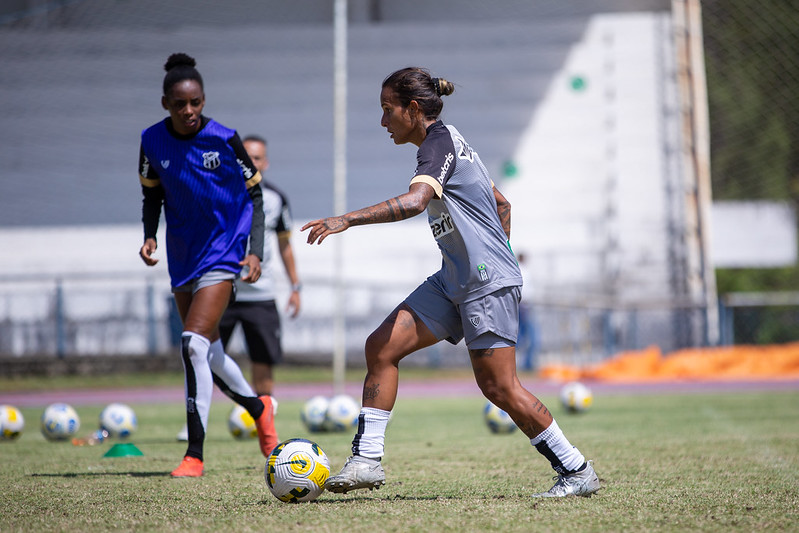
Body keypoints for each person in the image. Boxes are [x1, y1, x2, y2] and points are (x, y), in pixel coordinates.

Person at [302, 67, 600, 498]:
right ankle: (366, 460)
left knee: (499, 386)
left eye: (388, 111)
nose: (383, 121)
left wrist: (345, 219)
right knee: (381, 347)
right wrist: (487, 253)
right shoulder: (447, 141)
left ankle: (576, 470)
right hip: (455, 280)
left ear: (413, 108)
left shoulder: (438, 145)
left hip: (483, 284)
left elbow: (416, 202)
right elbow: (503, 204)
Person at [138, 52, 278, 477]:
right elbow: (152, 195)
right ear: (166, 104)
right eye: (180, 104)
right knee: (210, 351)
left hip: (224, 251)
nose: (189, 111)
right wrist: (148, 235)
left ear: (203, 99)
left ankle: (194, 454)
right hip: (183, 255)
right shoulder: (151, 141)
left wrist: (253, 251)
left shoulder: (224, 138)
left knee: (192, 344)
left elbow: (255, 196)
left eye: (196, 102)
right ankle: (260, 409)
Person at [176, 135, 302, 442]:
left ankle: (264, 419)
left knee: (263, 362)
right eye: (247, 157)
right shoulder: (216, 193)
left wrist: (295, 286)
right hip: (220, 291)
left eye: (258, 158)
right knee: (201, 355)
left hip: (262, 295)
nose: (252, 162)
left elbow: (285, 245)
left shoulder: (274, 198)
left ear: (265, 162)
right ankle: (195, 420)